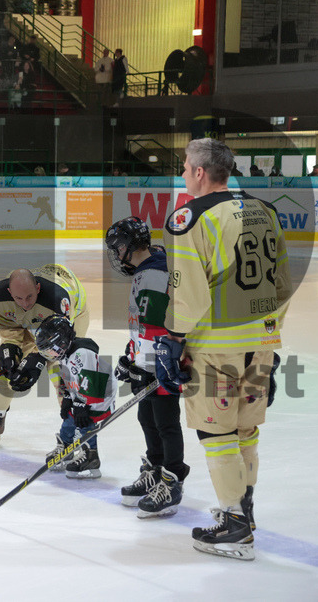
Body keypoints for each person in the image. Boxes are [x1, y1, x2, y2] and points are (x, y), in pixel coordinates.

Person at [156, 138, 291, 560]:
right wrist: (270, 334)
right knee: (246, 429)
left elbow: (189, 298)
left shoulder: (189, 218)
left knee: (217, 433)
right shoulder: (265, 210)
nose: (182, 173)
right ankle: (243, 510)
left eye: (184, 167)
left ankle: (233, 525)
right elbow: (282, 283)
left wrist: (173, 340)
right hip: (261, 341)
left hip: (216, 347)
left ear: (199, 172)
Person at [103, 216, 190, 515]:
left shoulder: (154, 273)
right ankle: (155, 469)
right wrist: (132, 357)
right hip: (149, 362)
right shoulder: (148, 268)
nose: (116, 255)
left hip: (162, 367)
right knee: (147, 418)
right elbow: (141, 326)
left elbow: (158, 327)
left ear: (128, 246)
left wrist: (148, 365)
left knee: (166, 423)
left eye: (117, 249)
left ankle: (172, 480)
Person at [0, 264, 89, 448]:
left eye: (29, 297)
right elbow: (10, 331)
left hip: (67, 320)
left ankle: (74, 428)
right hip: (35, 318)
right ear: (9, 292)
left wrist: (36, 360)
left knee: (63, 370)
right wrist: (10, 349)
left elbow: (59, 342)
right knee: (4, 365)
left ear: (38, 288)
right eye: (19, 298)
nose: (25, 303)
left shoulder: (58, 300)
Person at [15, 316, 116, 477]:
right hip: (82, 395)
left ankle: (91, 456)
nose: (50, 354)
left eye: (51, 349)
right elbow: (69, 378)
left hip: (98, 397)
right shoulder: (65, 353)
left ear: (62, 342)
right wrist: (68, 398)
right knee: (68, 419)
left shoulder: (83, 354)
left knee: (85, 422)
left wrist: (82, 406)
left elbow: (92, 382)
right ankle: (67, 448)